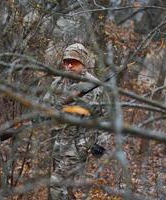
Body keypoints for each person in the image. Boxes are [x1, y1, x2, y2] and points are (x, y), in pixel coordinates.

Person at [44, 43, 106, 200]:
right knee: (64, 188)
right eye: (66, 62)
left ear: (83, 62)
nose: (69, 65)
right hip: (58, 141)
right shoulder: (58, 83)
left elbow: (105, 118)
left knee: (56, 183)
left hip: (78, 145)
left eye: (74, 61)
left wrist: (100, 143)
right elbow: (45, 106)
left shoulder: (94, 86)